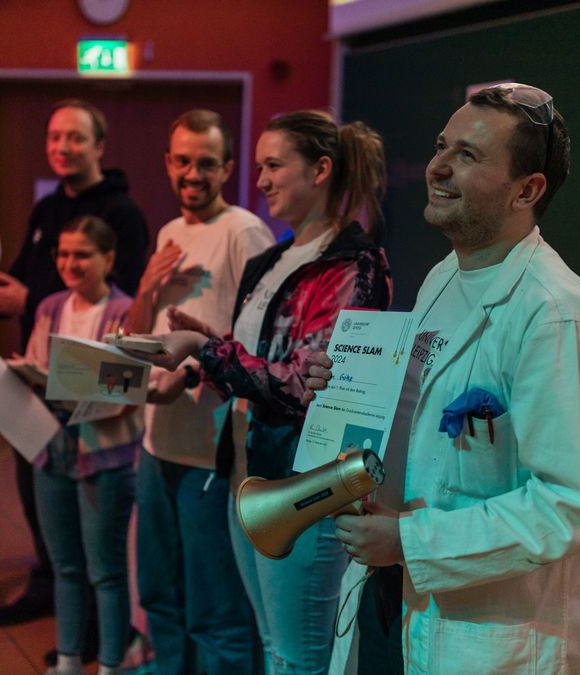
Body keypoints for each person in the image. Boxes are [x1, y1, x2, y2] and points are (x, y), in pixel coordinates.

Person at [306, 83, 580, 674]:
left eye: (468, 155)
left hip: (485, 641)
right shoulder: (441, 280)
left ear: (526, 190)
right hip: (395, 600)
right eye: (441, 146)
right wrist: (344, 388)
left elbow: (570, 506)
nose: (437, 166)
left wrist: (412, 541)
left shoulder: (558, 317)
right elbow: (420, 422)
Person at [133, 110, 392, 675]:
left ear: (320, 170)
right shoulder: (269, 261)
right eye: (259, 167)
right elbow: (258, 360)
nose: (262, 181)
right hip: (244, 469)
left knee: (297, 658)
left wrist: (206, 351)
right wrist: (208, 345)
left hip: (304, 479)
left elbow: (308, 384)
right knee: (270, 642)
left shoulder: (353, 264)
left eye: (274, 166)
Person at [0, 99, 149, 631]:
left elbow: (127, 296)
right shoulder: (45, 210)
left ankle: (94, 613)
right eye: (54, 137)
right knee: (39, 494)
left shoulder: (122, 213)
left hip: (92, 390)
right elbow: (23, 276)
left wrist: (25, 299)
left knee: (93, 515)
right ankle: (51, 584)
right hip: (38, 384)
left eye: (75, 138)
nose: (62, 148)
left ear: (98, 147)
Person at [123, 109, 273, 674]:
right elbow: (147, 331)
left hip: (209, 453)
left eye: (206, 164)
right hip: (156, 443)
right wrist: (145, 288)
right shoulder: (168, 234)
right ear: (168, 163)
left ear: (227, 168)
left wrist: (188, 376)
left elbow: (254, 347)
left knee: (215, 609)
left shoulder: (244, 232)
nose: (193, 174)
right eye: (182, 161)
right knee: (160, 593)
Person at [22, 215, 142, 675]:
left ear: (108, 259)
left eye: (82, 254)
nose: (70, 263)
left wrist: (80, 389)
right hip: (52, 450)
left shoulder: (125, 312)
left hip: (105, 454)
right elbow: (36, 366)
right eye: (64, 253)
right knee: (64, 566)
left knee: (106, 571)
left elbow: (131, 390)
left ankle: (112, 663)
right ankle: (69, 660)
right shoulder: (50, 306)